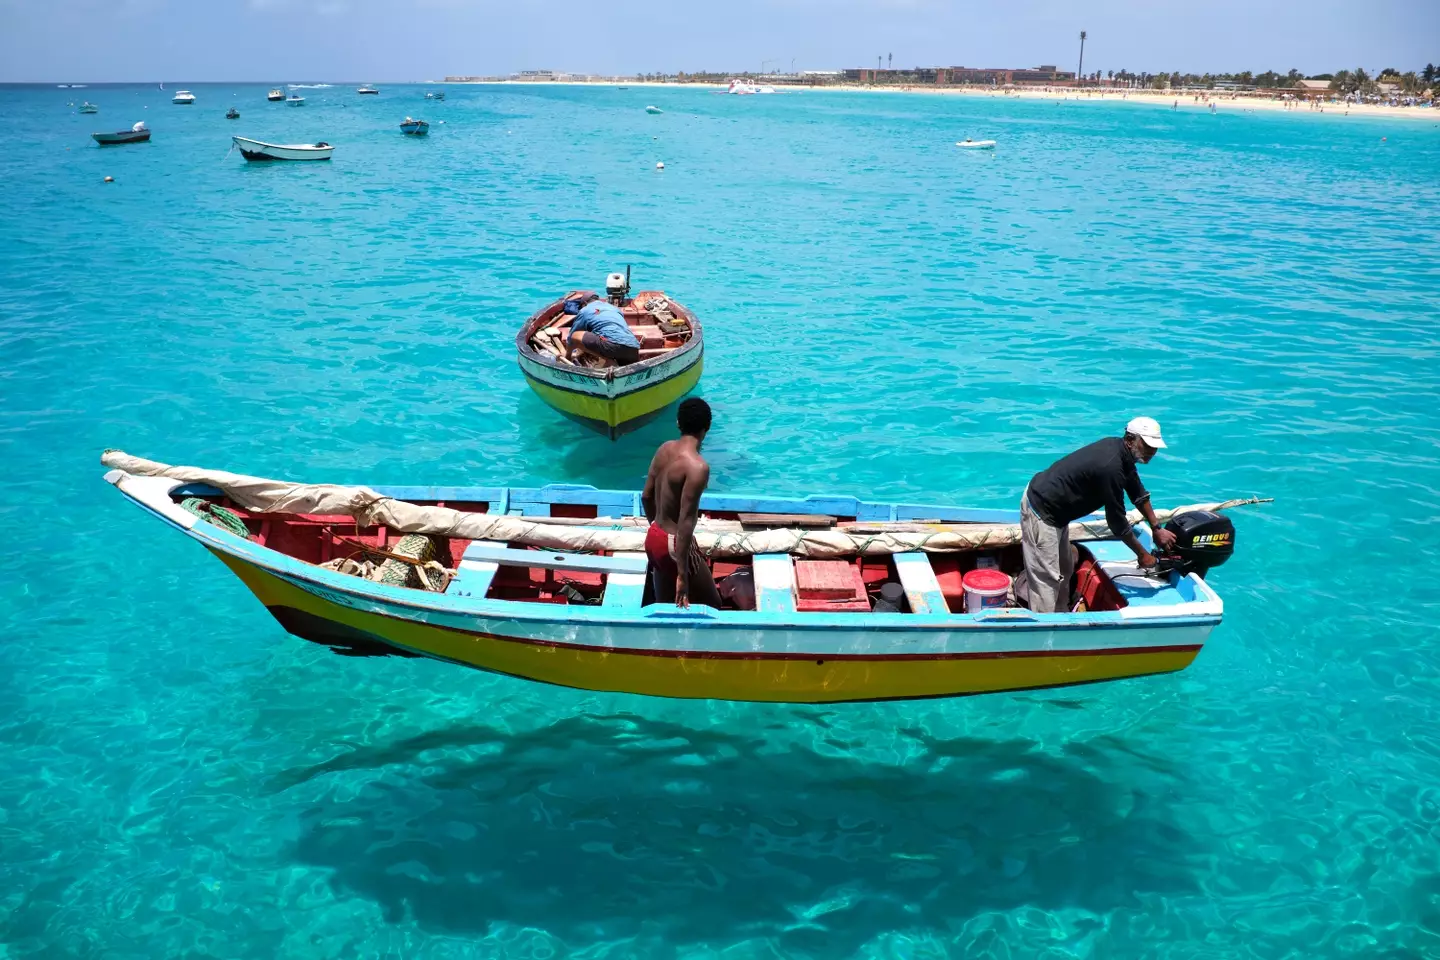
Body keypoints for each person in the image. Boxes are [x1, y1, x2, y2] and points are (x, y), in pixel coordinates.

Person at [1020, 417, 1180, 613]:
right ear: (1130, 439)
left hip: (1059, 515)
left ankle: (1060, 615)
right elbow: (1117, 522)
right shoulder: (1111, 467)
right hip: (1042, 512)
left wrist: (1156, 528)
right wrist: (1143, 555)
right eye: (1148, 445)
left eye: (1155, 447)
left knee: (1064, 570)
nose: (1152, 452)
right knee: (1047, 580)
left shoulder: (1123, 453)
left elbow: (1138, 492)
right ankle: (1044, 629)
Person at [641, 397, 722, 609]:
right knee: (714, 604)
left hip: (654, 537)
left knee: (666, 606)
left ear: (678, 423)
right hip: (674, 545)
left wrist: (657, 530)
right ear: (707, 428)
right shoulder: (698, 467)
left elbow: (646, 496)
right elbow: (686, 523)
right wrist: (682, 576)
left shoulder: (664, 449)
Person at [568, 299, 641, 367]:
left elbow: (571, 337)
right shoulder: (614, 308)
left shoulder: (585, 310)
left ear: (585, 303)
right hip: (633, 349)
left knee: (575, 335)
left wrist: (567, 357)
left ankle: (608, 360)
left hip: (612, 346)